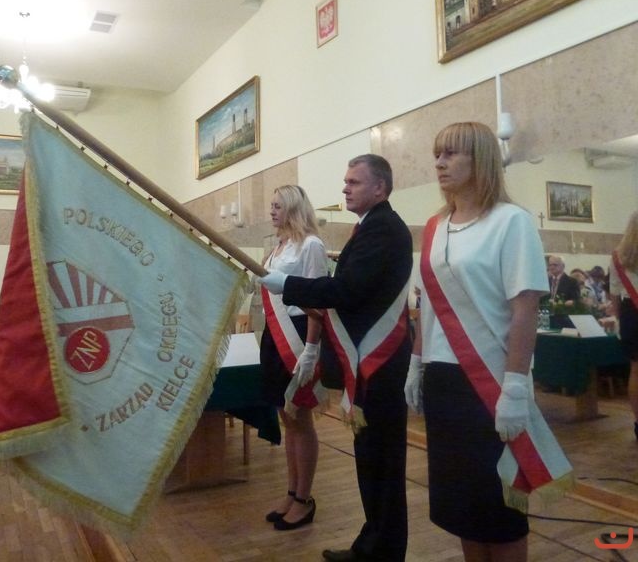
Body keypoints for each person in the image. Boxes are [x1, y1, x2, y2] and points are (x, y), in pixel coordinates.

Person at [405, 122, 571, 562]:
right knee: (462, 505)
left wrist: (515, 387)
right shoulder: (435, 227)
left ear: (479, 158)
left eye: (451, 154)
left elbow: (524, 308)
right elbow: (430, 305)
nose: (440, 163)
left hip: (493, 380)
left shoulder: (511, 221)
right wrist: (416, 362)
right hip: (443, 380)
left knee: (499, 509)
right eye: (437, 154)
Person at [261, 154, 413, 562]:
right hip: (367, 361)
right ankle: (371, 544)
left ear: (380, 187)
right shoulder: (370, 226)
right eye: (346, 181)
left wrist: (288, 285)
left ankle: (382, 550)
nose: (345, 187)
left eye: (354, 182)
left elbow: (347, 290)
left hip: (379, 360)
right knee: (370, 457)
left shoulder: (384, 229)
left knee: (381, 460)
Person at [259, 185, 328, 531]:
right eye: (271, 205)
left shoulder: (311, 245)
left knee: (300, 415)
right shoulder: (278, 246)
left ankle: (304, 498)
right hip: (274, 334)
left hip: (299, 334)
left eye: (278, 206)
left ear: (293, 208)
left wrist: (312, 349)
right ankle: (291, 491)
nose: (272, 211)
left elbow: (317, 300)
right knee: (286, 416)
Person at [609, 211, 638, 440]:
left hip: (630, 314)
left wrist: (620, 320)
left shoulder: (618, 256)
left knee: (635, 370)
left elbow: (614, 295)